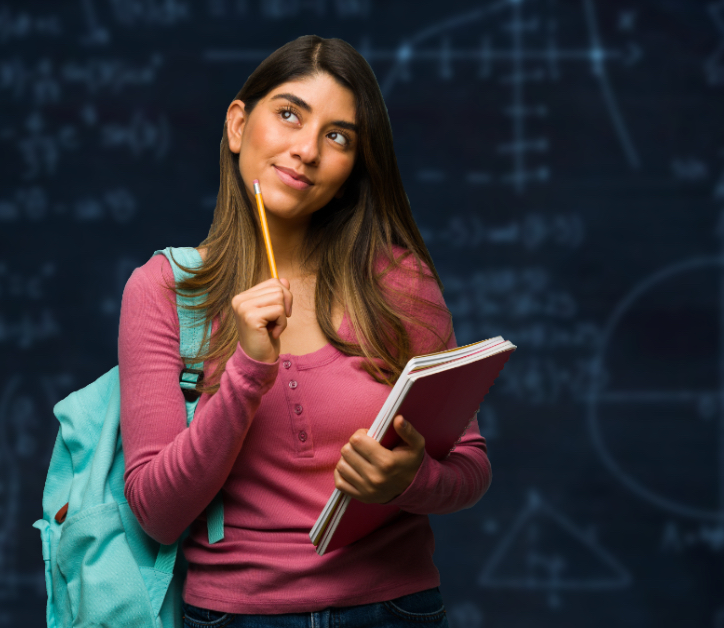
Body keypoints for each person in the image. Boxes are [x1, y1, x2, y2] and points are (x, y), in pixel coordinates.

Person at [118, 34, 491, 627]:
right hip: (234, 618)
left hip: (395, 612)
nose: (307, 150)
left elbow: (470, 468)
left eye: (337, 135)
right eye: (289, 114)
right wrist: (247, 370)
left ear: (352, 168)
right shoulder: (164, 291)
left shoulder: (398, 281)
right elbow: (157, 514)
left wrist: (408, 479)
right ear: (238, 125)